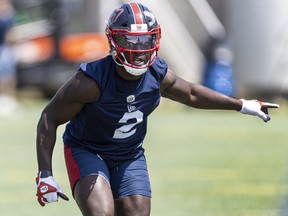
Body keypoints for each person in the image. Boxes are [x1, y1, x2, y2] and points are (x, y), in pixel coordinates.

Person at [35, 2, 279, 216]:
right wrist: (45, 173)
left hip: (129, 154)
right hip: (88, 150)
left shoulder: (156, 74)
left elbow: (192, 93)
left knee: (137, 212)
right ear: (113, 40)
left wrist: (242, 105)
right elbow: (49, 117)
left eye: (145, 40)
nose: (139, 49)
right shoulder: (90, 82)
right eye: (129, 40)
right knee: (101, 212)